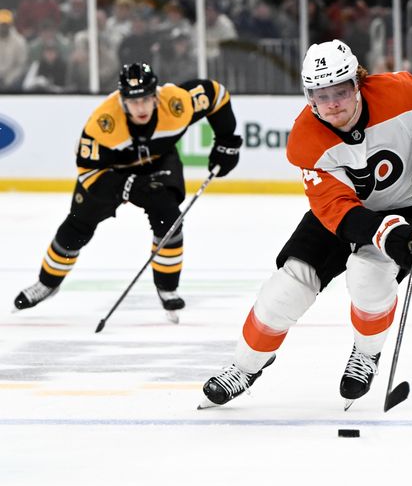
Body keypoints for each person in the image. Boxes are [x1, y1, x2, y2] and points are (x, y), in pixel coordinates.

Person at [199, 39, 412, 409]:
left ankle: (366, 353)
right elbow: (338, 210)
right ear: (308, 95)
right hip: (342, 213)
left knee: (368, 278)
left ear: (357, 82)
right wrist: (387, 235)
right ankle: (246, 365)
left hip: (408, 206)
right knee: (286, 288)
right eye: (320, 94)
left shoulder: (397, 93)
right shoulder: (305, 140)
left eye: (341, 91)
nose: (332, 104)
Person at [14, 62, 242, 319]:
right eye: (133, 101)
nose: (141, 107)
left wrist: (227, 142)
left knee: (169, 219)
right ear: (122, 99)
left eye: (146, 98)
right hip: (109, 173)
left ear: (156, 95)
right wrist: (128, 187)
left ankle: (167, 289)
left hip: (159, 161)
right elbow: (89, 172)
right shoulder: (103, 123)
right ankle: (47, 283)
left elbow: (216, 94)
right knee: (76, 228)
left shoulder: (176, 103)